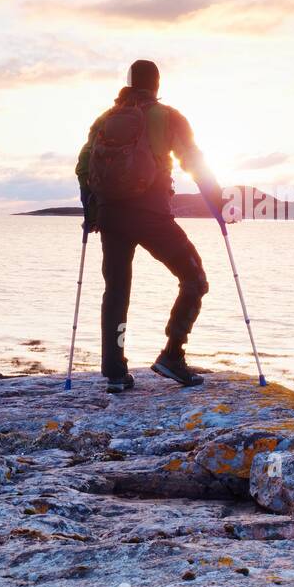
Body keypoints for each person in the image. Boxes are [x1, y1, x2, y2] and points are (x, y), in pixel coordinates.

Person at [75, 59, 229, 394]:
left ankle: (114, 371)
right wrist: (217, 203)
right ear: (157, 84)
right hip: (150, 214)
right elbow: (194, 161)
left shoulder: (105, 119)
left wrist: (91, 213)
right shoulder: (168, 117)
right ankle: (172, 355)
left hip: (111, 216)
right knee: (194, 279)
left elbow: (84, 167)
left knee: (116, 291)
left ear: (129, 83)